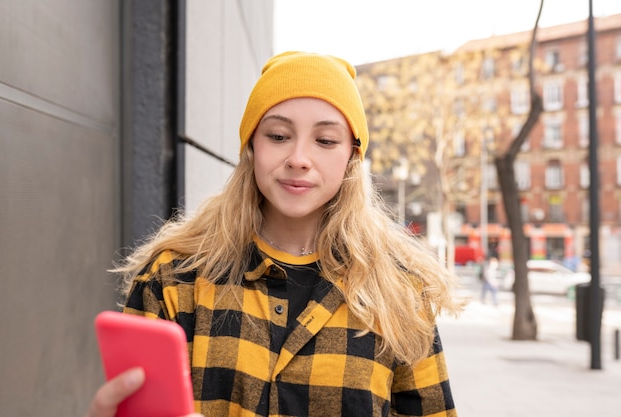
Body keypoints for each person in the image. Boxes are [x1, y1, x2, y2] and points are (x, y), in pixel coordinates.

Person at [85, 51, 462, 417]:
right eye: (278, 135)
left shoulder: (399, 292)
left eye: (326, 140)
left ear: (352, 156)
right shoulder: (174, 278)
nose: (298, 157)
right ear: (251, 146)